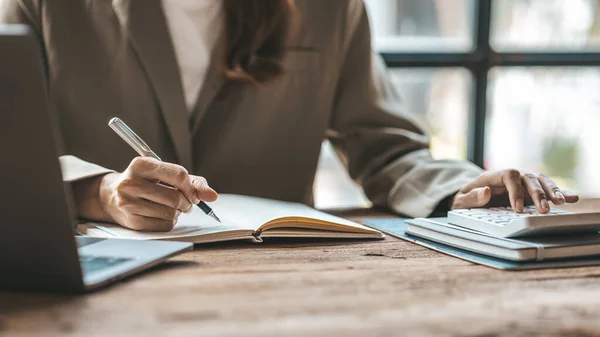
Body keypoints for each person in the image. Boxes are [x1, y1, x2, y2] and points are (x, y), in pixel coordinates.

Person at [1, 0, 579, 232]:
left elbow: (386, 147)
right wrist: (98, 193)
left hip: (277, 283)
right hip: (108, 288)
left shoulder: (330, 7)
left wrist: (459, 188)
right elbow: (12, 155)